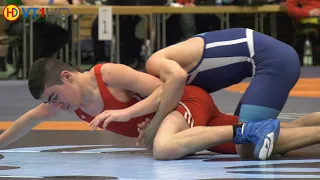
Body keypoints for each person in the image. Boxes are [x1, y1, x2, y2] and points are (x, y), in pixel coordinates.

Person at [0, 58, 279, 160]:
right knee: (253, 147)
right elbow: (27, 121)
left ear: (67, 77)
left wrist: (144, 120)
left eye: (53, 97)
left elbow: (167, 89)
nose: (56, 106)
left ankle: (244, 130)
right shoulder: (69, 104)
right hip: (180, 121)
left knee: (164, 148)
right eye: (49, 103)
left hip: (186, 103)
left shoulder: (108, 75)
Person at [139, 28, 301, 160]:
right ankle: (313, 122)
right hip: (272, 60)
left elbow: (178, 77)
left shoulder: (155, 62)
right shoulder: (174, 61)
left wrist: (154, 126)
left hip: (276, 62)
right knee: (238, 135)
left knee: (246, 144)